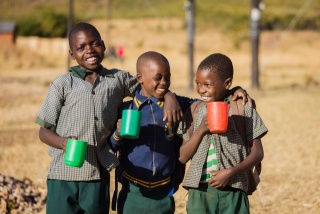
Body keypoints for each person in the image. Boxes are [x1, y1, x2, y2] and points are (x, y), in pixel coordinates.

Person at [35, 22, 183, 214]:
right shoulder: (63, 84)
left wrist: (169, 95)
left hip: (98, 173)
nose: (90, 50)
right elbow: (43, 131)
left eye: (94, 43)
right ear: (72, 54)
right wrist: (63, 143)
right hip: (62, 174)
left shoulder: (118, 79)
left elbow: (150, 87)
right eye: (81, 47)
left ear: (104, 45)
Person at [109, 51, 251, 214]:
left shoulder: (179, 105)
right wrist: (117, 134)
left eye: (167, 77)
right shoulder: (125, 109)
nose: (164, 82)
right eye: (158, 77)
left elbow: (210, 99)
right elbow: (112, 146)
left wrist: (234, 91)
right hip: (132, 192)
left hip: (164, 194)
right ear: (140, 78)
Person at [177, 53, 268, 214]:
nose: (201, 90)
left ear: (227, 83)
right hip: (199, 193)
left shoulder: (242, 108)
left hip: (233, 192)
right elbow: (183, 157)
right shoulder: (194, 111)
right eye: (197, 83)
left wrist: (232, 172)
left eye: (207, 84)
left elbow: (258, 153)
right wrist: (201, 130)